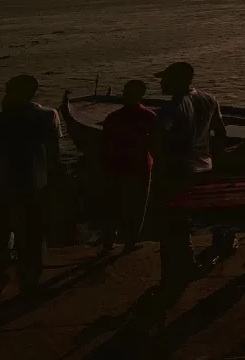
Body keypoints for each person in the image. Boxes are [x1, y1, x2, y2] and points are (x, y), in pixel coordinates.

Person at [0, 74, 61, 305]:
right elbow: (54, 156)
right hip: (35, 187)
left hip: (3, 187)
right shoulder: (48, 116)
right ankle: (29, 284)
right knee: (31, 238)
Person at [151, 61, 229, 287]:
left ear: (177, 80)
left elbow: (157, 142)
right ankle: (222, 241)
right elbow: (221, 133)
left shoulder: (170, 110)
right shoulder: (210, 99)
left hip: (179, 170)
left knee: (175, 221)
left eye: (165, 79)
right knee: (206, 214)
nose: (161, 83)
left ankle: (184, 267)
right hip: (205, 166)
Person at [98, 80, 156, 252]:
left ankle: (109, 241)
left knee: (114, 205)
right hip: (139, 167)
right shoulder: (149, 116)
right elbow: (156, 144)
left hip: (117, 167)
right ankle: (129, 241)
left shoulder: (113, 117)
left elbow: (104, 145)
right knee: (136, 206)